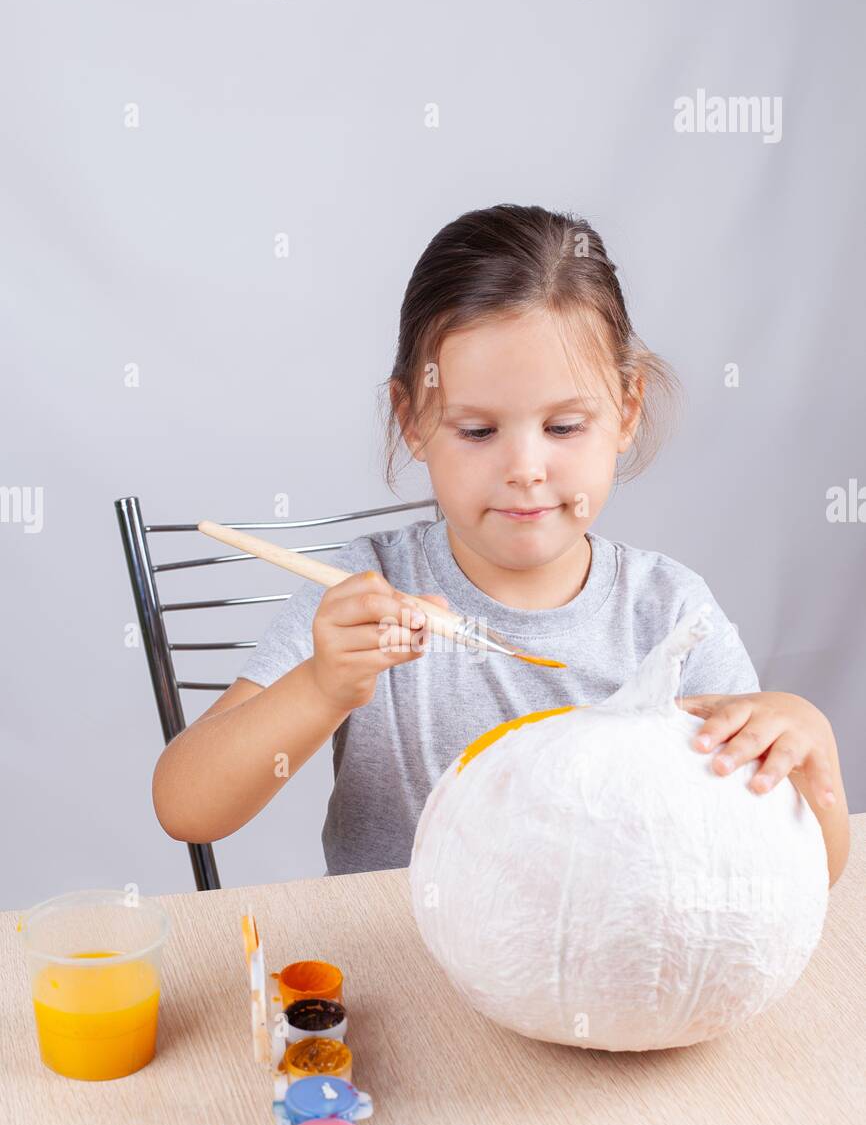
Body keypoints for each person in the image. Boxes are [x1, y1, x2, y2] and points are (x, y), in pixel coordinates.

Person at [152, 203, 849, 883]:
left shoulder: (668, 613)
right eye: (478, 431)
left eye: (566, 426)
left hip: (605, 976)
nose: (524, 468)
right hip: (406, 970)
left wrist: (808, 740)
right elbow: (186, 807)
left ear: (627, 411)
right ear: (413, 421)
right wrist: (322, 685)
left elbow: (807, 873)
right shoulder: (363, 591)